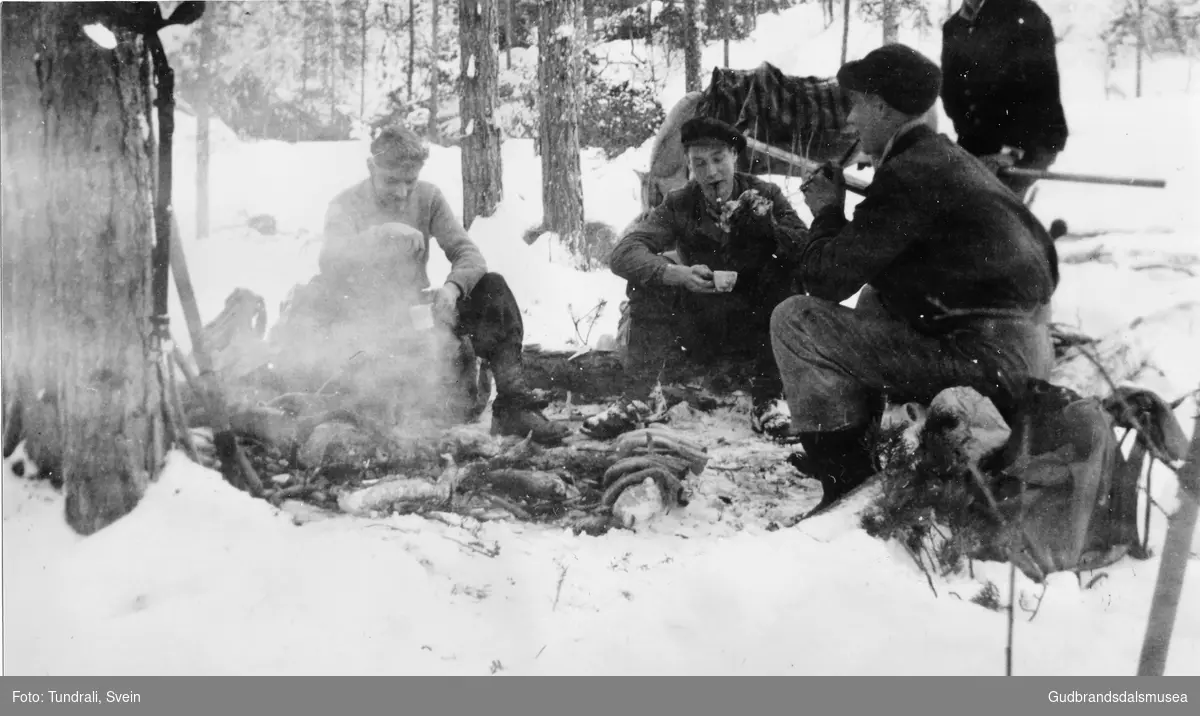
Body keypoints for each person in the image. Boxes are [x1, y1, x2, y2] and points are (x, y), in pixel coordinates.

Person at [770, 44, 1059, 513]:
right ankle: (871, 445)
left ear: (882, 106)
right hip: (1025, 354)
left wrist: (826, 211)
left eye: (857, 105)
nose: (851, 121)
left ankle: (844, 481)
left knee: (795, 320)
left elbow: (824, 280)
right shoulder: (945, 160)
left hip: (986, 363)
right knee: (876, 296)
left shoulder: (910, 174)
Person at [295, 125, 569, 445]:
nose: (402, 192)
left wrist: (453, 289)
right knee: (315, 300)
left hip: (414, 313)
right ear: (372, 168)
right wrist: (381, 234)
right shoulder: (345, 204)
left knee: (492, 286)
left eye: (409, 182)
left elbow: (470, 256)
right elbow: (330, 261)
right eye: (391, 181)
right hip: (362, 319)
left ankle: (512, 404)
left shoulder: (428, 197)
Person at [609, 117, 810, 438]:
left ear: (734, 157)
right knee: (650, 276)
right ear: (689, 167)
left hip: (754, 327)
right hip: (698, 326)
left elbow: (807, 251)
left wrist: (767, 227)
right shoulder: (680, 203)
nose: (711, 173)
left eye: (718, 160)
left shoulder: (765, 194)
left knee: (784, 273)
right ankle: (640, 398)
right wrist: (675, 273)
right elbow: (624, 252)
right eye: (699, 164)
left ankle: (769, 400)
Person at [941, 0, 1069, 201]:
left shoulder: (1026, 15)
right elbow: (951, 93)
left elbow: (1041, 93)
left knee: (992, 208)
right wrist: (969, 146)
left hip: (1031, 141)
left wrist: (1013, 151)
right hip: (981, 142)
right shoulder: (953, 27)